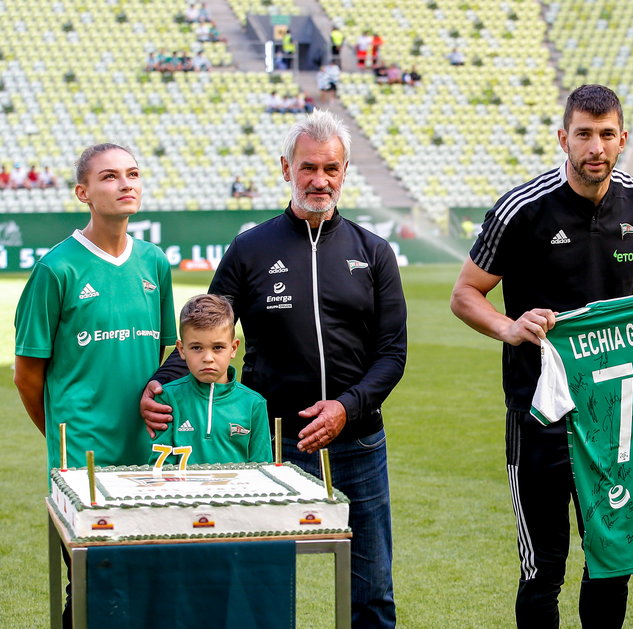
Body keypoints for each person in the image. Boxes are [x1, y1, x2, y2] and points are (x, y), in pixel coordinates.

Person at [450, 84, 633, 629]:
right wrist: (510, 328)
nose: (595, 147)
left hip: (615, 415)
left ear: (623, 139)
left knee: (612, 560)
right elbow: (466, 294)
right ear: (564, 138)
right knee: (543, 567)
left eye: (607, 135)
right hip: (540, 414)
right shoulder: (522, 209)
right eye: (583, 134)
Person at [140, 110, 407, 629]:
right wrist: (163, 382)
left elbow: (392, 354)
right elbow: (206, 329)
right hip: (270, 443)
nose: (320, 180)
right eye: (308, 167)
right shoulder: (251, 247)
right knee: (260, 582)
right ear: (286, 168)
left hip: (358, 443)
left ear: (345, 170)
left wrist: (346, 408)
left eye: (331, 168)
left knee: (372, 588)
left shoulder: (373, 253)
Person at [14, 143, 176, 628]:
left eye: (133, 173)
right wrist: (64, 435)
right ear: (84, 192)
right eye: (110, 177)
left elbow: (166, 358)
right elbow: (26, 375)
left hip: (148, 456)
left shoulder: (155, 263)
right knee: (96, 587)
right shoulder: (55, 269)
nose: (125, 183)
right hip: (82, 460)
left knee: (146, 585)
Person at [149, 294, 270, 467]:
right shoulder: (167, 398)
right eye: (196, 347)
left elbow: (262, 470)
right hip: (184, 493)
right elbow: (160, 467)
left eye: (218, 347)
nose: (208, 358)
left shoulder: (254, 404)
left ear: (234, 348)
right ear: (181, 350)